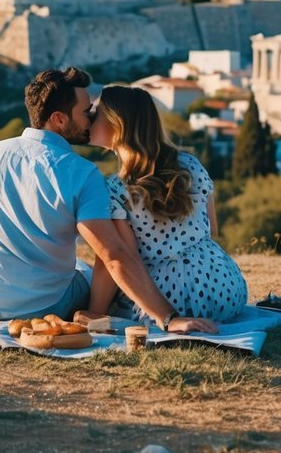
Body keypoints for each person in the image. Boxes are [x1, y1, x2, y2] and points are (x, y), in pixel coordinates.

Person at [0, 66, 218, 334]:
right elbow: (113, 256)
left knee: (82, 270)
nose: (90, 119)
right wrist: (168, 318)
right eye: (86, 113)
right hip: (47, 308)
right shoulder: (81, 172)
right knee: (84, 273)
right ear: (59, 119)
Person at [87, 84, 248, 322]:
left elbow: (116, 259)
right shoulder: (191, 164)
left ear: (116, 125)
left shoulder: (116, 190)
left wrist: (95, 313)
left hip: (167, 298)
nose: (89, 118)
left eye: (95, 112)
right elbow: (211, 229)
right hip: (225, 288)